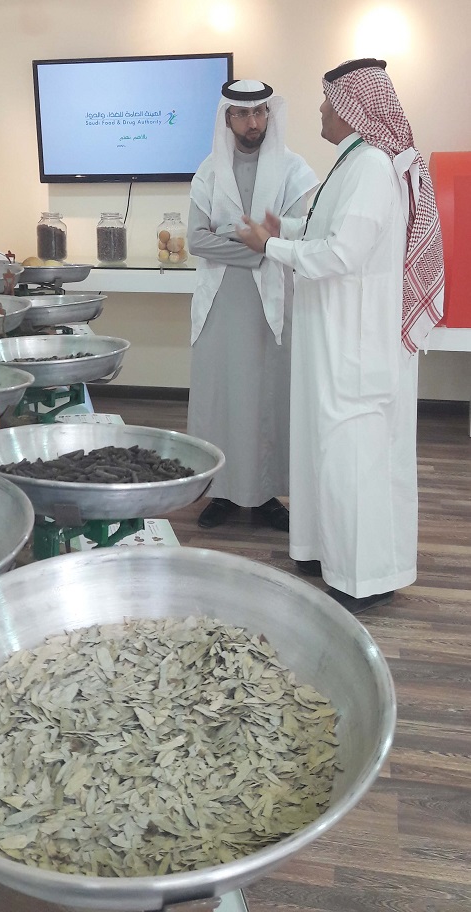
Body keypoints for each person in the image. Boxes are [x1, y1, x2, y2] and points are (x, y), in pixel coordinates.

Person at [238, 58, 444, 613]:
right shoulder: (354, 161)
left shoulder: (372, 166)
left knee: (354, 458)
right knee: (325, 450)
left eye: (329, 104)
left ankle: (365, 578)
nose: (322, 112)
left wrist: (270, 246)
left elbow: (341, 254)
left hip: (356, 340)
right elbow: (329, 230)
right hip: (332, 334)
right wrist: (287, 230)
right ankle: (320, 550)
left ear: (355, 110)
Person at [187, 79, 318, 532]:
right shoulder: (209, 171)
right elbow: (196, 240)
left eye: (260, 112)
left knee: (267, 399)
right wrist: (260, 247)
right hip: (220, 303)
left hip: (272, 303)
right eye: (242, 114)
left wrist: (248, 240)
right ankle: (220, 491)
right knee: (220, 397)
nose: (252, 122)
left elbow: (300, 234)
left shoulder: (293, 170)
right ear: (228, 118)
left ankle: (265, 494)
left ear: (269, 115)